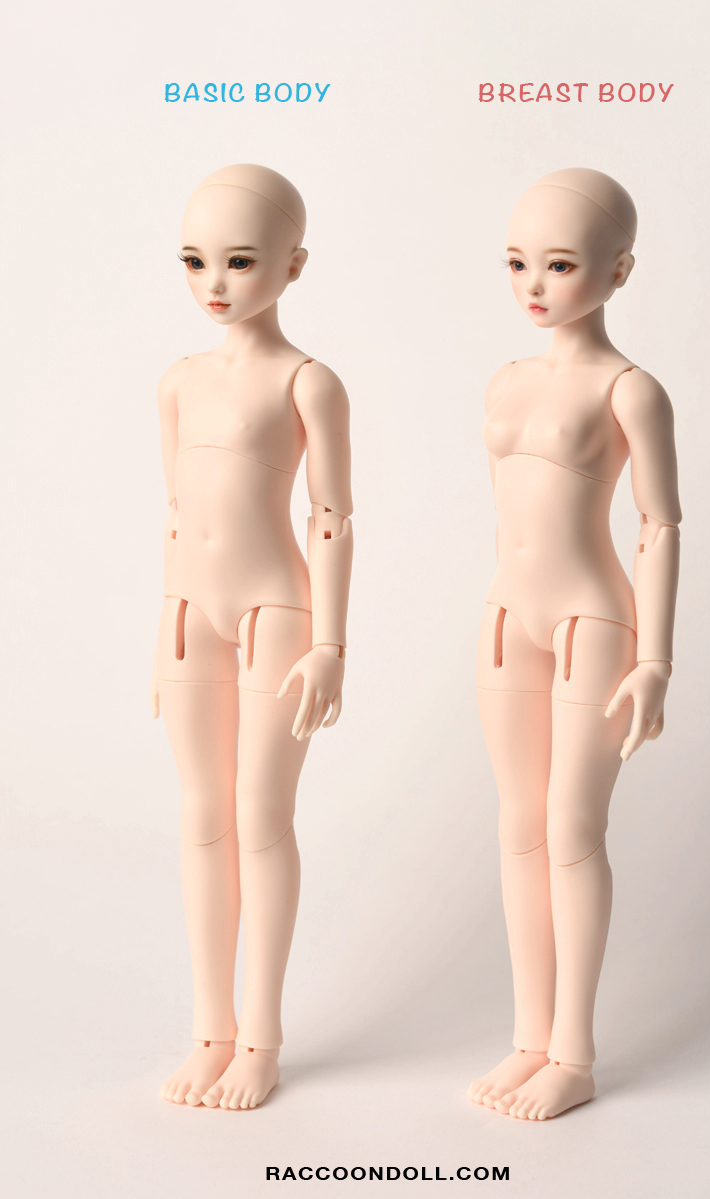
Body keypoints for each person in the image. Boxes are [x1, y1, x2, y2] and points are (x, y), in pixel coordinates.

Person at [468, 168, 681, 1120]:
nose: (534, 285)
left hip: (591, 620)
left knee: (571, 827)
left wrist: (655, 658)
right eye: (518, 263)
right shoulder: (506, 379)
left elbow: (660, 525)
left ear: (618, 271)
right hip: (506, 618)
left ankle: (575, 1053)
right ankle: (530, 1036)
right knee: (518, 825)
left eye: (559, 265)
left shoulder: (632, 390)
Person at [153, 164, 353, 1110]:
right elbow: (177, 511)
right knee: (203, 815)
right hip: (189, 615)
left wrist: (331, 644)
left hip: (277, 611)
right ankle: (211, 1030)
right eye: (195, 260)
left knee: (261, 814)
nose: (215, 282)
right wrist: (163, 621)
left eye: (239, 260)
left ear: (293, 265)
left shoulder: (308, 381)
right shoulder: (179, 382)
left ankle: (260, 1040)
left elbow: (333, 516)